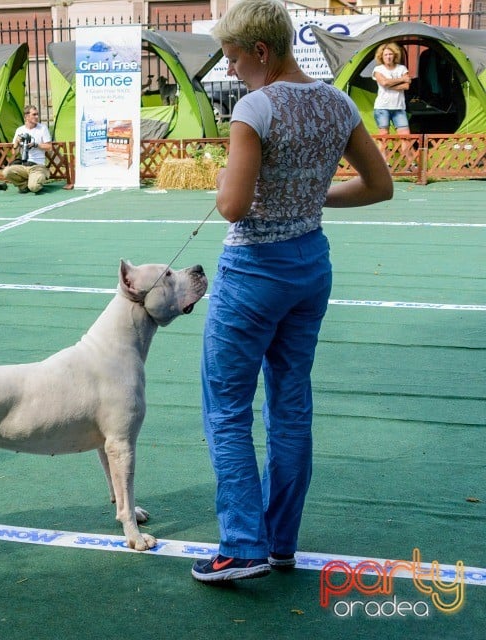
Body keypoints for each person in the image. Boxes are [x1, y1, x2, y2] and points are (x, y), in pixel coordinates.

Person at [193, 0, 393, 583]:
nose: (230, 70)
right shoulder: (336, 101)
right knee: (290, 403)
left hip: (253, 270)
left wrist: (225, 179)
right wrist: (315, 197)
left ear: (261, 51)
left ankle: (243, 544)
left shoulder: (255, 107)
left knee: (227, 409)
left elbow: (232, 206)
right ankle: (280, 542)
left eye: (232, 57)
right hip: (310, 265)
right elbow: (379, 186)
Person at [372, 42, 416, 170]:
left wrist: (389, 84)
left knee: (405, 137)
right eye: (386, 54)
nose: (388, 57)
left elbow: (407, 86)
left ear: (395, 55)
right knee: (383, 137)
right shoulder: (378, 70)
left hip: (399, 108)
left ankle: (411, 165)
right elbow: (384, 82)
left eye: (390, 54)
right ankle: (384, 165)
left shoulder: (402, 69)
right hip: (382, 107)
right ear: (381, 56)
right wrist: (401, 80)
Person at [1, 105, 52, 193]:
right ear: (26, 117)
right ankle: (24, 185)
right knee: (6, 172)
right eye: (34, 115)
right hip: (24, 165)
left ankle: (31, 184)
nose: (37, 117)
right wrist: (16, 142)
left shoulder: (42, 128)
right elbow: (14, 152)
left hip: (37, 166)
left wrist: (35, 145)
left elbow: (49, 147)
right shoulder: (20, 130)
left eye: (37, 114)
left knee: (34, 188)